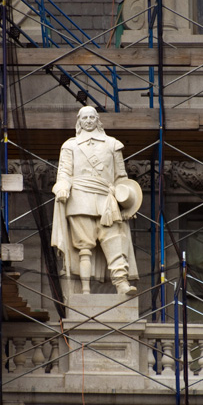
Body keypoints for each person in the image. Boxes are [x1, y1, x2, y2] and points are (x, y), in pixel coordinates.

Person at [51, 106, 142, 296]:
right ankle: (84, 290)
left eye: (92, 117)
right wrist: (62, 187)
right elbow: (64, 173)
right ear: (79, 121)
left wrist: (126, 201)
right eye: (85, 117)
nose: (89, 120)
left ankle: (121, 284)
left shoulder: (112, 144)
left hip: (106, 200)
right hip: (80, 200)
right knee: (84, 247)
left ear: (98, 120)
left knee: (115, 240)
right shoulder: (70, 146)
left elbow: (120, 177)